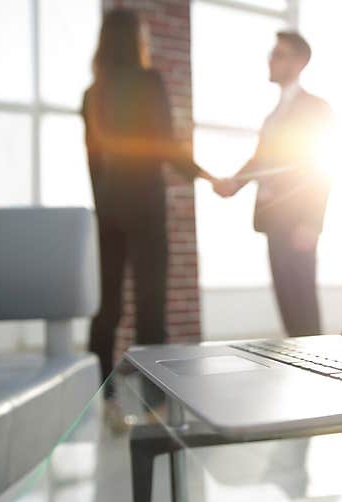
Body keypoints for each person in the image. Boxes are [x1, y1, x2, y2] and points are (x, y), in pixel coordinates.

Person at [83, 9, 212, 414]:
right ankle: (155, 405)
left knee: (108, 308)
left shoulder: (93, 94)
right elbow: (166, 145)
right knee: (150, 304)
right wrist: (207, 176)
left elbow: (93, 162)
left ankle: (105, 402)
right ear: (135, 39)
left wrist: (104, 205)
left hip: (107, 209)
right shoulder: (148, 82)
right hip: (145, 205)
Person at [214, 31, 334, 337]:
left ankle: (320, 376)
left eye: (278, 54)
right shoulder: (272, 117)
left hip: (298, 223)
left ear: (298, 62)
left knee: (303, 306)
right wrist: (234, 184)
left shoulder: (316, 107)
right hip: (274, 220)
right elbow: (260, 161)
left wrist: (312, 222)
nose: (270, 59)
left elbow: (323, 164)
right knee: (288, 307)